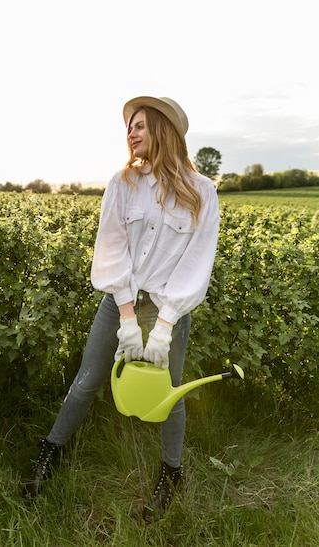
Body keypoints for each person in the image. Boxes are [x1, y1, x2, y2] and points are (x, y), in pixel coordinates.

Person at [22, 96, 220, 522]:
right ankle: (50, 451)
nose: (131, 132)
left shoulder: (202, 191)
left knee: (170, 391)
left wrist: (164, 325)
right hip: (121, 302)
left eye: (140, 125)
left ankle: (172, 471)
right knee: (88, 380)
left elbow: (196, 262)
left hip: (168, 308)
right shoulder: (122, 182)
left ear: (164, 130)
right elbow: (111, 249)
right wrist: (128, 316)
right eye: (129, 126)